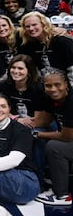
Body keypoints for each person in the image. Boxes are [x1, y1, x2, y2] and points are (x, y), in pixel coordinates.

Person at [33, 68, 73, 206]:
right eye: (48, 86)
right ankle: (45, 179)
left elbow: (66, 137)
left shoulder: (71, 102)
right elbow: (44, 121)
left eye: (57, 85)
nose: (53, 89)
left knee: (55, 147)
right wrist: (21, 124)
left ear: (66, 84)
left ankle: (62, 195)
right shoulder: (52, 98)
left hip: (69, 137)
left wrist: (37, 134)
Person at [19, 11, 73, 86]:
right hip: (44, 87)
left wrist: (70, 89)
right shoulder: (27, 46)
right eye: (27, 26)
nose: (31, 28)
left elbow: (71, 68)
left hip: (66, 87)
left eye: (34, 25)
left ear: (43, 24)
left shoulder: (62, 41)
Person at [0, 54, 42, 125]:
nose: (15, 71)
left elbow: (38, 118)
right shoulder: (4, 85)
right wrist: (16, 119)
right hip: (10, 122)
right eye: (13, 67)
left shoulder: (38, 89)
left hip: (33, 125)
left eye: (20, 68)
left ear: (29, 71)